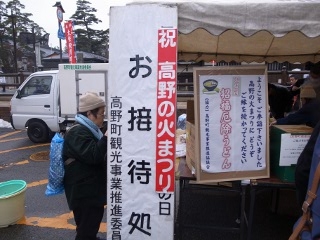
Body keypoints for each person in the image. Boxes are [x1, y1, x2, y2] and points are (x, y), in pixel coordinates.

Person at [62, 92, 107, 240]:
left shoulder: (88, 129)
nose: (103, 118)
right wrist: (107, 137)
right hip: (84, 192)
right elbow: (94, 155)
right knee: (87, 227)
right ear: (89, 113)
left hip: (89, 189)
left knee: (88, 225)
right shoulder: (77, 132)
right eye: (101, 114)